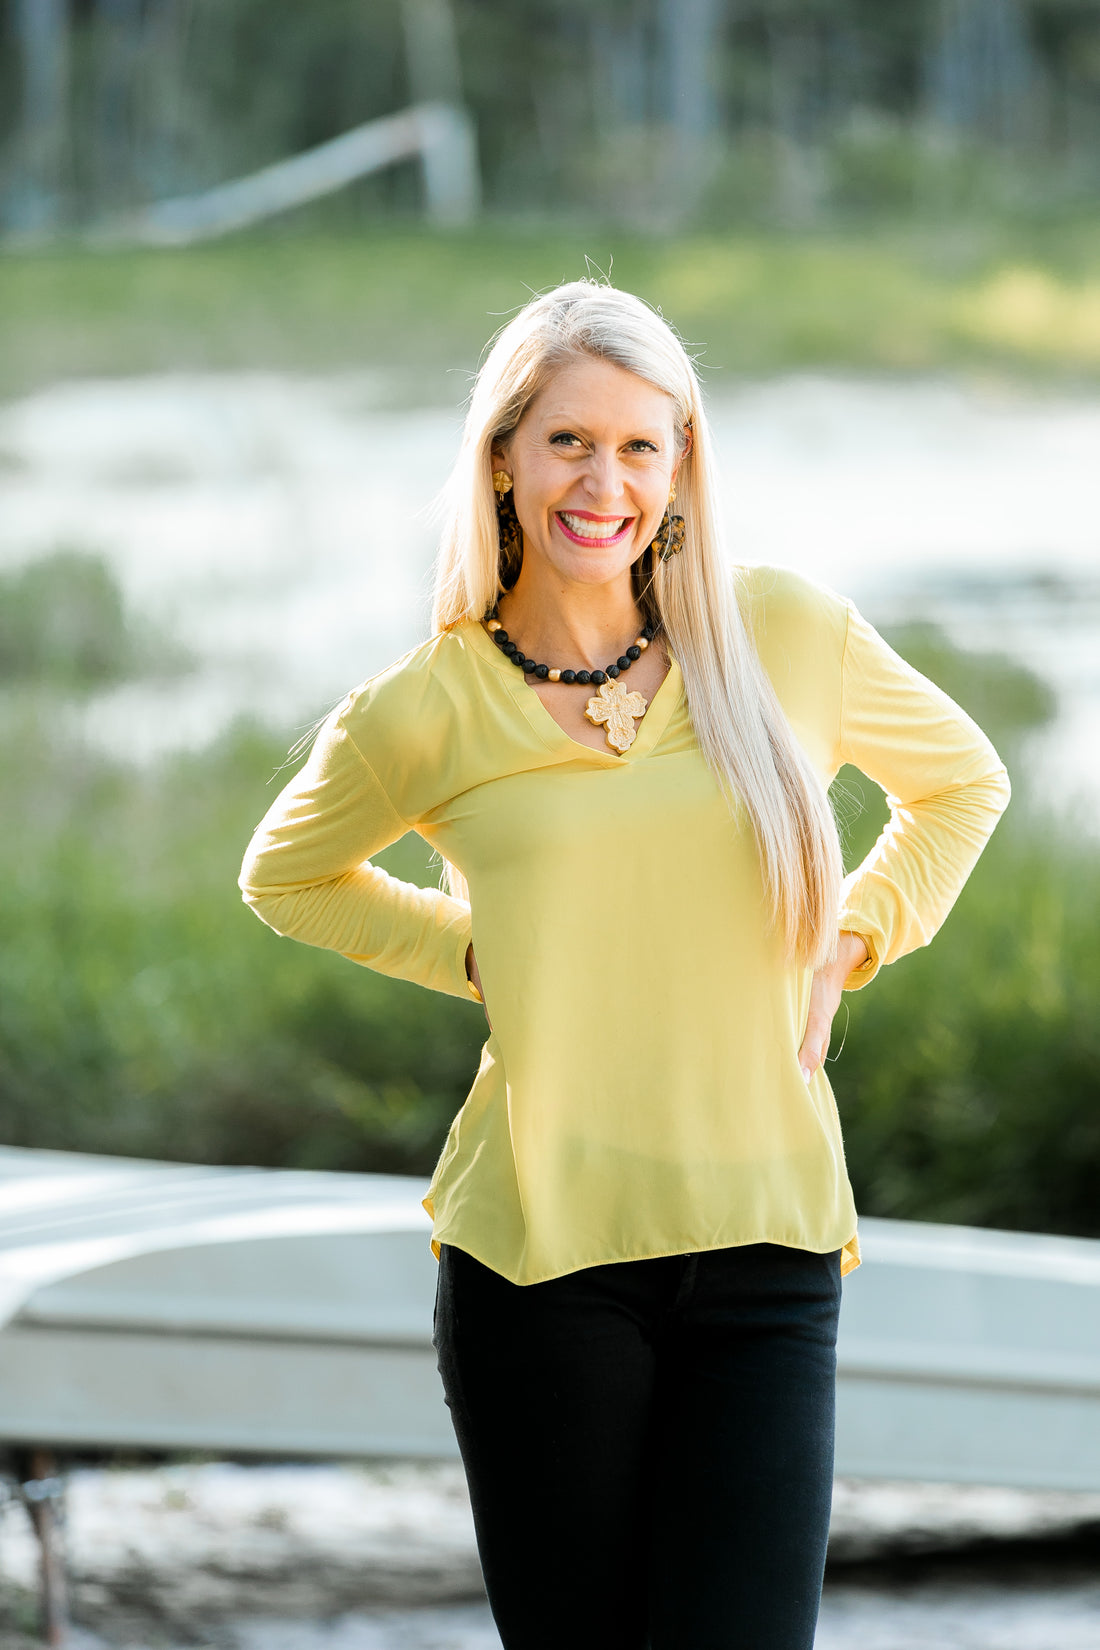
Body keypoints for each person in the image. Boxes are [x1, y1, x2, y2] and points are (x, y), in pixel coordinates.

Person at [238, 281, 1010, 1650]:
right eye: (569, 441)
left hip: (769, 1246)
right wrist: (476, 952)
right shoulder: (424, 709)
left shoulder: (781, 634)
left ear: (681, 469)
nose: (605, 480)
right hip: (542, 1262)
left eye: (642, 446)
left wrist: (851, 938)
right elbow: (284, 876)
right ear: (504, 458)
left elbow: (961, 783)